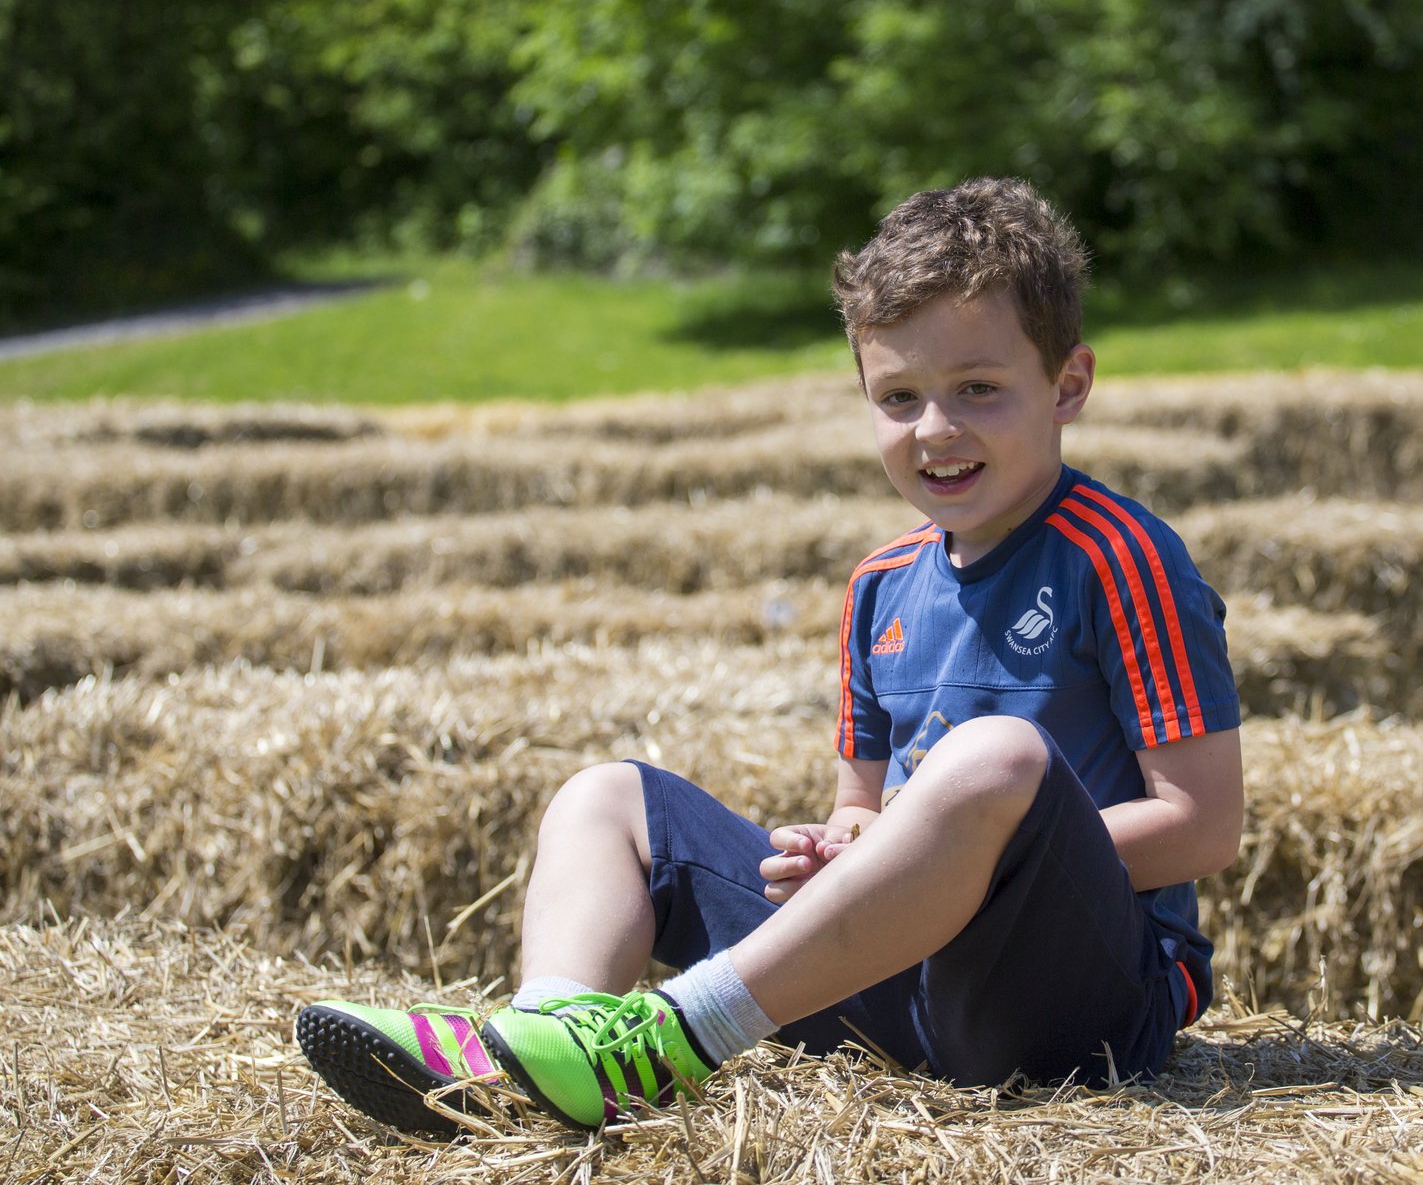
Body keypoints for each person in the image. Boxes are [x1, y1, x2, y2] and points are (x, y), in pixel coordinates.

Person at [295, 177, 1244, 1138]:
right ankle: (541, 1048)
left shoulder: (1122, 557)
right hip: (897, 984)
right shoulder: (880, 584)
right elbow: (860, 807)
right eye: (899, 397)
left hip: (1076, 1006)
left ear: (1068, 385)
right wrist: (841, 850)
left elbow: (1203, 827)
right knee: (606, 796)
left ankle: (672, 1037)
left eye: (979, 390)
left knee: (995, 759)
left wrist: (960, 851)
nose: (936, 430)